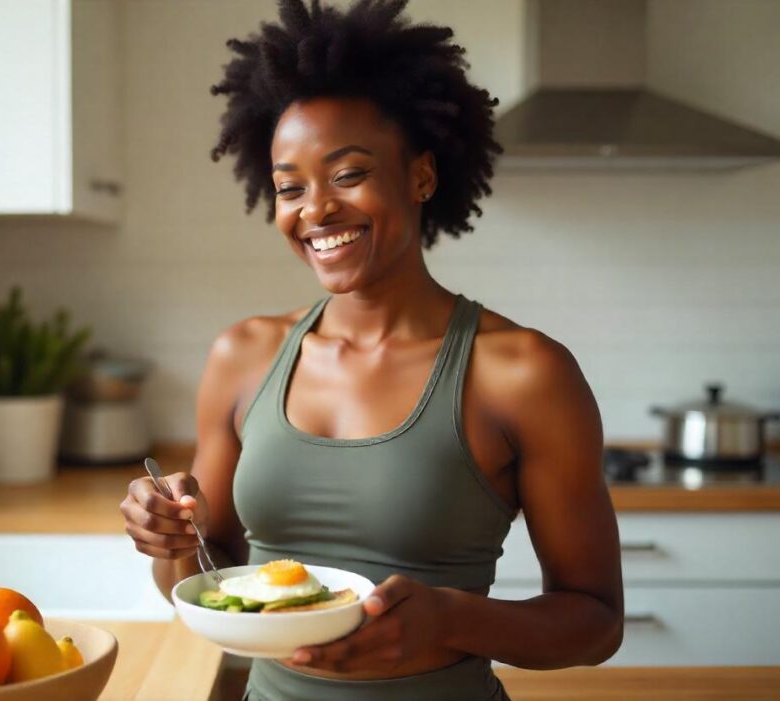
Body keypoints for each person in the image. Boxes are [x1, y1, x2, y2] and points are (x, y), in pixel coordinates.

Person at [120, 1, 624, 698]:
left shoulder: (523, 372)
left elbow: (596, 621)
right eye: (289, 187)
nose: (316, 209)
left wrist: (453, 618)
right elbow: (210, 576)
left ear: (420, 175)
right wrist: (172, 539)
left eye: (348, 174)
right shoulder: (244, 355)